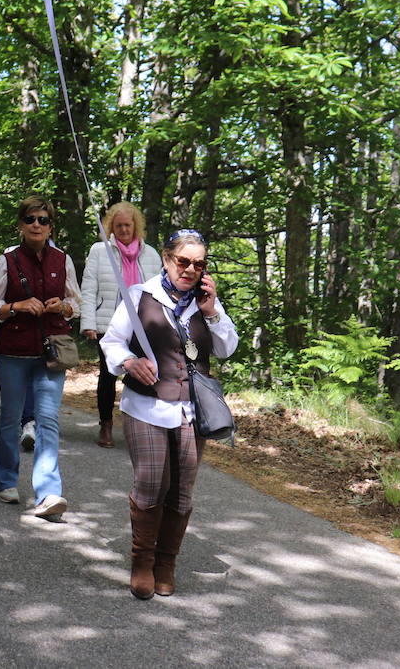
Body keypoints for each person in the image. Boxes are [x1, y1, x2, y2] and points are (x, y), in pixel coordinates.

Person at [100, 229, 238, 599]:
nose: (191, 269)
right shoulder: (139, 297)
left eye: (199, 263)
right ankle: (142, 562)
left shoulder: (206, 304)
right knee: (149, 484)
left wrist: (212, 313)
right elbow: (110, 342)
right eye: (184, 261)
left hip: (191, 410)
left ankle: (166, 563)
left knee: (182, 492)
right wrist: (128, 361)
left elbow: (227, 348)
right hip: (145, 406)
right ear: (166, 259)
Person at [0, 196, 81, 520]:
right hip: (13, 350)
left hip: (51, 351)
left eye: (42, 220)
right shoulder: (7, 260)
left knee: (48, 419)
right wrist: (17, 307)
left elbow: (75, 304)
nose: (36, 225)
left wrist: (62, 306)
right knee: (11, 417)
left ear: (51, 225)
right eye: (30, 219)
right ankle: (6, 480)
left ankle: (49, 492)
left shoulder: (62, 259)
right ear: (21, 224)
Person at [81, 202, 161, 448]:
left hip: (143, 326)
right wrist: (88, 323)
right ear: (111, 227)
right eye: (118, 226)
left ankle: (140, 428)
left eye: (127, 225)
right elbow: (89, 287)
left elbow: (159, 293)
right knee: (108, 376)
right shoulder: (99, 251)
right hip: (108, 323)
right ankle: (106, 424)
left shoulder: (151, 255)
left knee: (144, 375)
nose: (124, 230)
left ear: (136, 225)